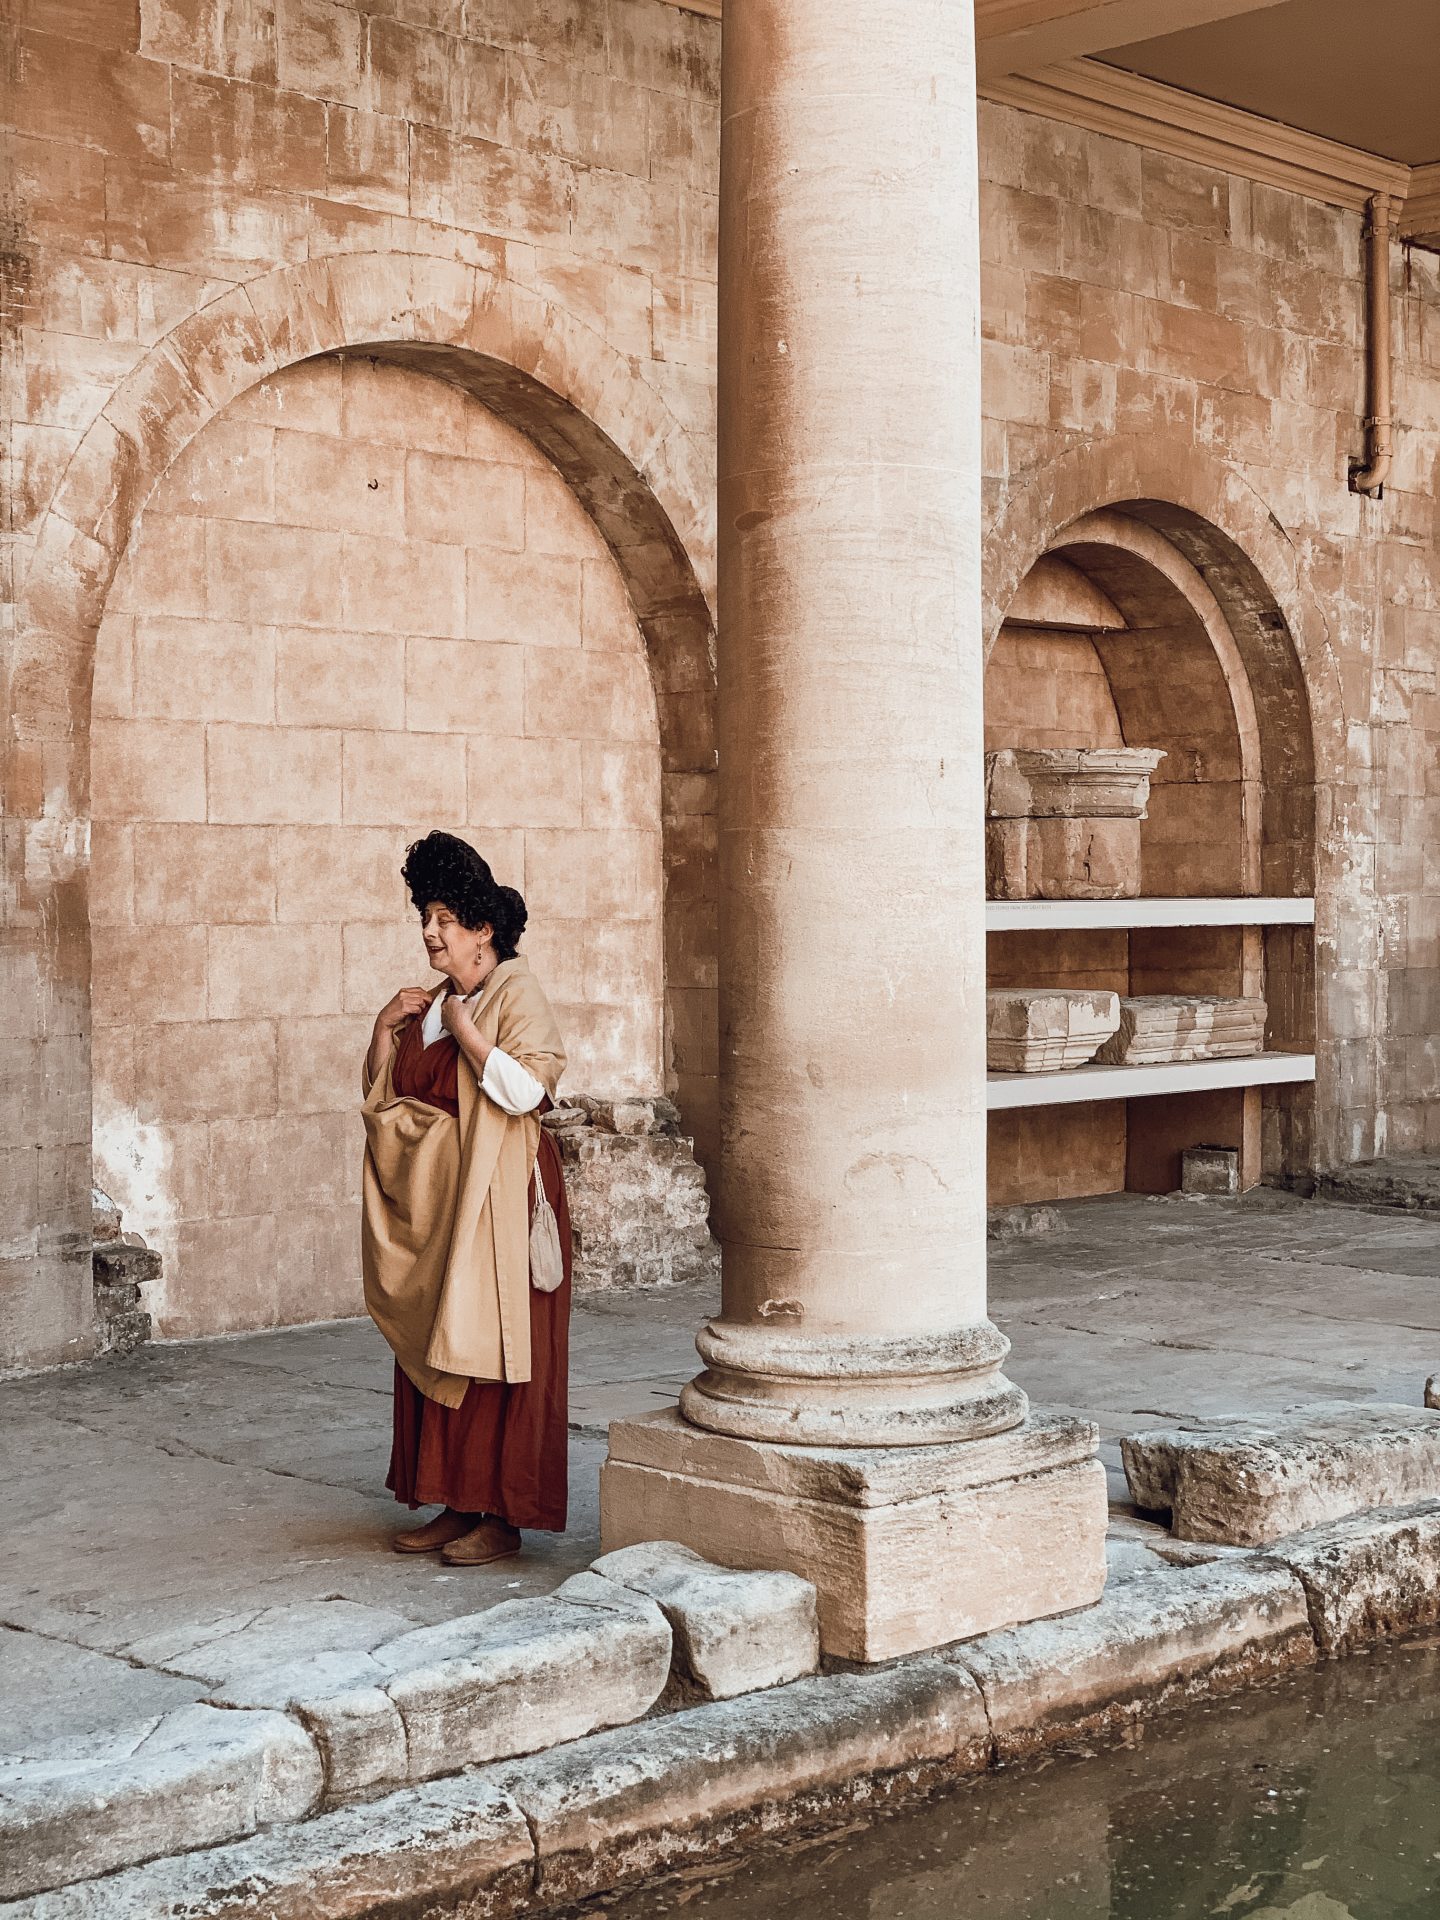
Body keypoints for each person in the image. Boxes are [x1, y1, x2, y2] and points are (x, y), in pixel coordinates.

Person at [361, 830, 571, 1566]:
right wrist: (386, 1029)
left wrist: (468, 1035)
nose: (429, 932)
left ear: (483, 927)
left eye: (444, 918)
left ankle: (503, 1516)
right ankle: (454, 1503)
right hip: (439, 1207)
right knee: (441, 1341)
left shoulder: (514, 992)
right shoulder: (434, 1000)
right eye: (425, 915)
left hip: (501, 1199)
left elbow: (530, 1090)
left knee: (497, 1353)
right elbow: (391, 1096)